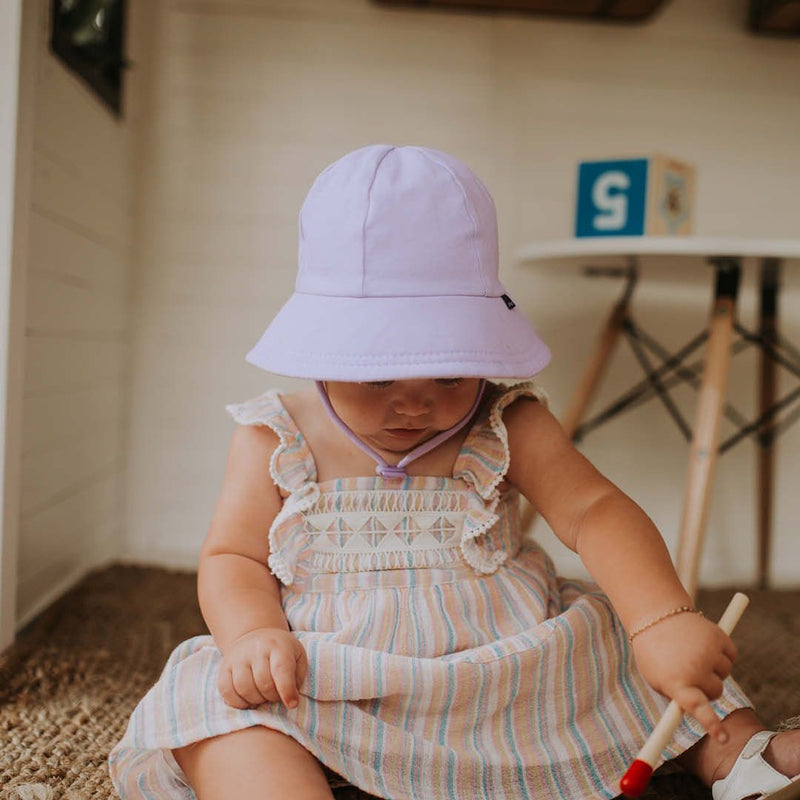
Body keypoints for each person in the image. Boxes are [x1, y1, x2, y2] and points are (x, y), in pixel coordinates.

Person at [108, 144, 800, 800]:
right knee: (218, 700)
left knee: (614, 643)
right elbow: (233, 554)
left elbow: (594, 511)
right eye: (378, 375)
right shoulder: (275, 433)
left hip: (508, 665)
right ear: (321, 349)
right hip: (332, 669)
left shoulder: (507, 419)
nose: (416, 403)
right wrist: (254, 634)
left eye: (447, 368)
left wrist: (661, 621)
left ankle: (741, 755)